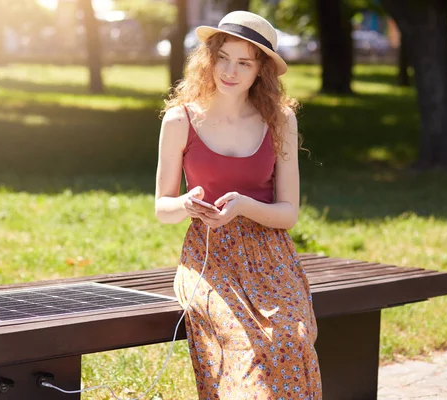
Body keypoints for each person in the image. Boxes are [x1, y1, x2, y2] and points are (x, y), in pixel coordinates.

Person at [154, 10, 322, 400]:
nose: (229, 71)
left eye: (244, 62)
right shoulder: (180, 120)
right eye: (223, 58)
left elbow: (288, 213)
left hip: (270, 257)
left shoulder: (279, 120)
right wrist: (187, 203)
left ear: (261, 69)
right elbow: (162, 207)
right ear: (208, 59)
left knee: (291, 340)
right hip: (208, 258)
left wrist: (245, 205)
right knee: (246, 347)